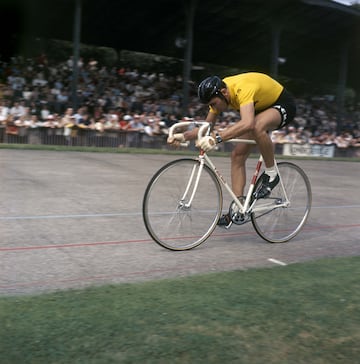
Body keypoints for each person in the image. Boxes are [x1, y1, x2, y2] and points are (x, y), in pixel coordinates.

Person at [167, 72, 296, 228]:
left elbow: (247, 123)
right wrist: (183, 136)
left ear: (223, 93)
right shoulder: (219, 94)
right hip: (259, 111)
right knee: (237, 156)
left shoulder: (243, 87)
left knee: (257, 125)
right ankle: (238, 208)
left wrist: (216, 139)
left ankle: (272, 173)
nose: (213, 108)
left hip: (283, 104)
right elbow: (207, 128)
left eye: (214, 104)